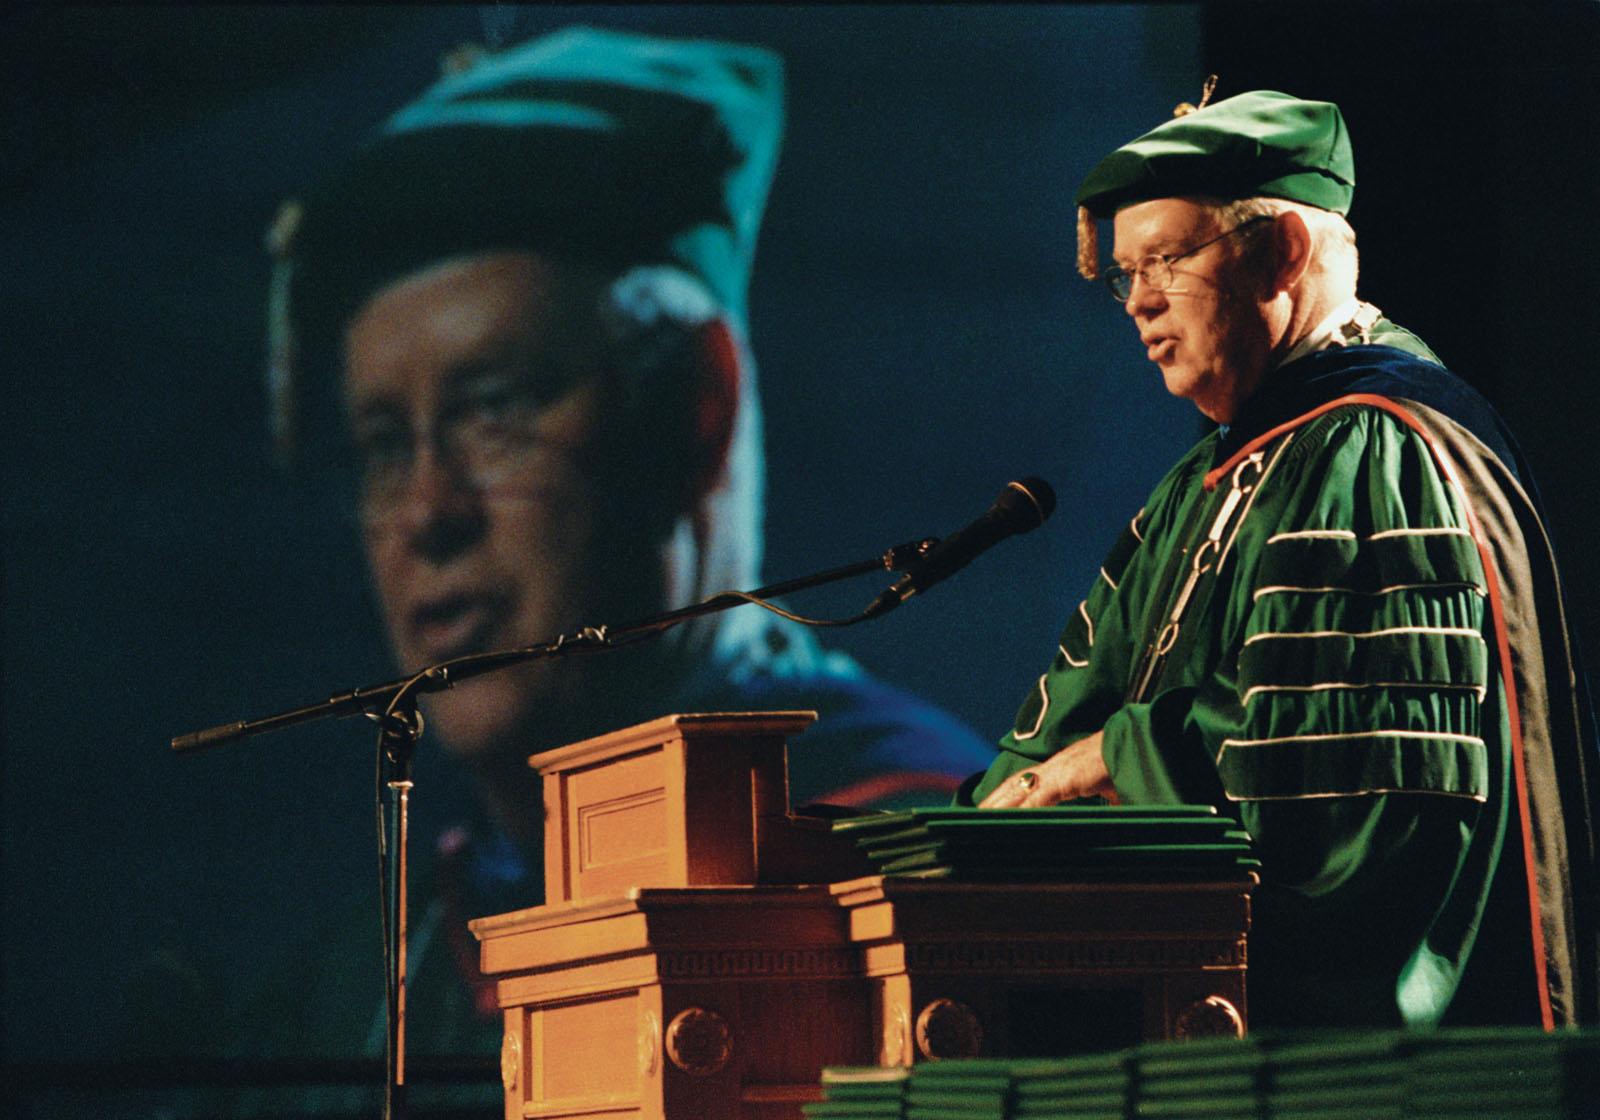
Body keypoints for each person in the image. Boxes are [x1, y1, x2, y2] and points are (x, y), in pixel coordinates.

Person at [235, 23, 994, 1089]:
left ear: (696, 407)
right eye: (381, 445)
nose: (425, 513)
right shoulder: (360, 984)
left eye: (493, 408)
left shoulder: (922, 877)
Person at [969, 89, 1599, 1031]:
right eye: (1126, 273)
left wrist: (1118, 758)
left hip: (1337, 1046)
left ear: (1285, 254)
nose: (1137, 299)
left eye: (1169, 259)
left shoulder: (1381, 446)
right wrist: (964, 838)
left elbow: (1342, 789)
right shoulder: (1202, 481)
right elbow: (1062, 726)